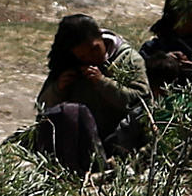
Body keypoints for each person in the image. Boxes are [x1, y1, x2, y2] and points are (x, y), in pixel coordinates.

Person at [30, 13, 152, 172]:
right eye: (83, 55)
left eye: (95, 49)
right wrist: (58, 89)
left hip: (119, 141)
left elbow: (139, 101)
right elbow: (43, 107)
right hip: (79, 142)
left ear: (102, 37)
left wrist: (103, 82)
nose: (91, 57)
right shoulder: (69, 65)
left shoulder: (129, 59)